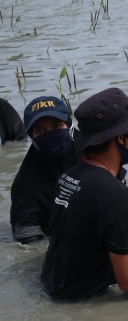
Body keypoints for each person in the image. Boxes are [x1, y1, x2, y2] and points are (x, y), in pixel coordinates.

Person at [40, 88, 128, 301]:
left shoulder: (70, 176)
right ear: (121, 139)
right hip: (82, 301)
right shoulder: (114, 194)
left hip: (52, 284)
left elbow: (74, 234)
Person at [10, 96, 77, 244]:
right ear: (31, 137)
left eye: (57, 126)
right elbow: (28, 239)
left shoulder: (93, 152)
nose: (51, 134)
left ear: (69, 125)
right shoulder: (25, 185)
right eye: (40, 131)